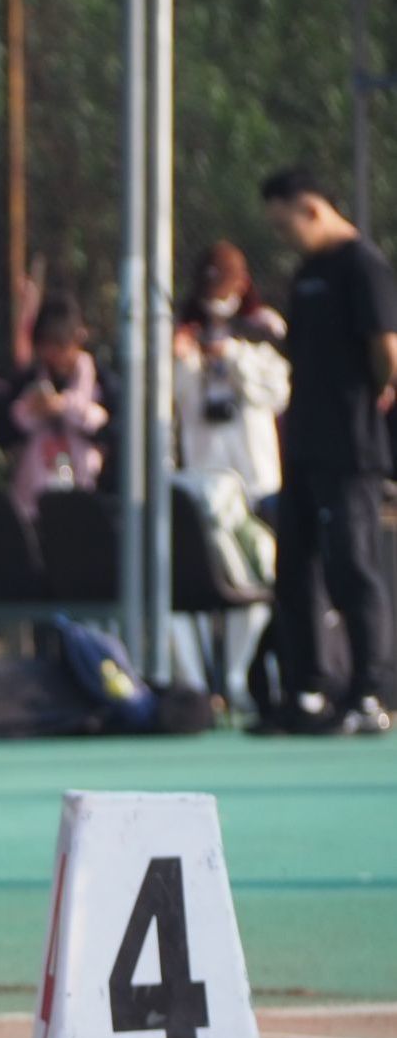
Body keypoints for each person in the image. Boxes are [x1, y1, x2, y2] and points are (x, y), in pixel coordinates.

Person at [259, 166, 397, 735]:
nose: (284, 237)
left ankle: (371, 692)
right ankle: (309, 690)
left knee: (352, 566)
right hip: (304, 444)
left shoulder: (362, 265)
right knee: (295, 568)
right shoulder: (308, 272)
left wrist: (375, 396)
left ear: (312, 208)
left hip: (351, 446)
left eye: (286, 224)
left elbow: (386, 351)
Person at [169, 241, 288, 711]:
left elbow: (276, 393)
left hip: (256, 482)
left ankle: (244, 681)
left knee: (258, 579)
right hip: (202, 485)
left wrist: (233, 356)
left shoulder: (263, 328)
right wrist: (182, 358)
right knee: (198, 586)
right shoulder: (182, 331)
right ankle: (202, 686)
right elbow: (170, 402)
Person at [3, 294, 114, 524]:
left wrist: (65, 408)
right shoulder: (28, 381)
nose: (54, 356)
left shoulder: (103, 382)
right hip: (34, 500)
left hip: (88, 495)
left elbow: (113, 431)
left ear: (77, 340)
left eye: (60, 346)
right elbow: (4, 429)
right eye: (46, 346)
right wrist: (32, 410)